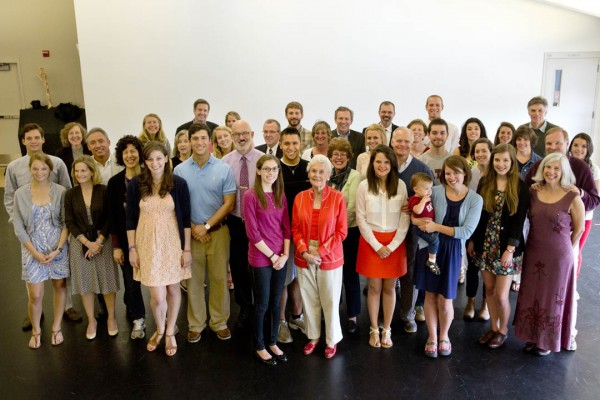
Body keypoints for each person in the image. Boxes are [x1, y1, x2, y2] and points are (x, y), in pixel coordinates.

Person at [525, 127, 600, 351]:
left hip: (563, 244)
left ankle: (562, 337)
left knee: (558, 294)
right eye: (548, 145)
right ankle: (533, 334)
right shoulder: (539, 168)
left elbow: (594, 201)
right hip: (537, 245)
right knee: (535, 291)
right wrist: (534, 187)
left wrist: (570, 244)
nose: (553, 148)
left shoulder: (580, 169)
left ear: (565, 143)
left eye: (557, 144)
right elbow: (527, 193)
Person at [5, 123, 76, 331]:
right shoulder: (14, 167)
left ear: (43, 139)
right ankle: (36, 313)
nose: (33, 141)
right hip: (30, 230)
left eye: (37, 137)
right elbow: (10, 197)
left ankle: (67, 308)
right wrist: (19, 223)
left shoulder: (57, 163)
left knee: (61, 278)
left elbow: (68, 192)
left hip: (55, 227)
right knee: (33, 279)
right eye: (29, 138)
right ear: (23, 141)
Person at [514, 153, 584, 355]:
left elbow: (578, 229)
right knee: (532, 294)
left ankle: (546, 341)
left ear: (563, 172)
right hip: (534, 251)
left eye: (556, 168)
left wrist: (564, 250)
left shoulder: (572, 196)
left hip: (559, 256)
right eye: (547, 167)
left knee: (553, 297)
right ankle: (532, 336)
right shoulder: (534, 192)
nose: (551, 172)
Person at [413, 156, 483, 358]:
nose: (452, 177)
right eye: (448, 173)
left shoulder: (475, 199)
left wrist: (435, 226)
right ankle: (432, 337)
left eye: (456, 172)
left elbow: (466, 231)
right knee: (429, 295)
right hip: (430, 247)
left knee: (446, 298)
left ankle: (444, 336)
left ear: (465, 174)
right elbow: (415, 213)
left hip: (452, 250)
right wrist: (415, 217)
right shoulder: (433, 191)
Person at [126, 142, 191, 356]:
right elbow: (130, 220)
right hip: (146, 245)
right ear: (144, 162)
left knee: (173, 289)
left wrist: (186, 249)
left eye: (159, 158)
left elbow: (186, 220)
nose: (155, 163)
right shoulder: (136, 184)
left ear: (166, 159)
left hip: (172, 243)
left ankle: (170, 331)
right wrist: (132, 248)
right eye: (150, 159)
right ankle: (159, 327)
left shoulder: (178, 183)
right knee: (157, 296)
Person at [173, 123, 236, 344]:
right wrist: (195, 228)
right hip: (191, 235)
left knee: (219, 280)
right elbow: (177, 205)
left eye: (203, 138)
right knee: (194, 282)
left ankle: (219, 322)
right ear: (188, 141)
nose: (199, 142)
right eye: (195, 139)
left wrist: (207, 226)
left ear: (210, 141)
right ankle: (195, 324)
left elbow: (229, 203)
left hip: (217, 233)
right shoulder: (179, 170)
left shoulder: (223, 168)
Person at [468, 144, 529, 349]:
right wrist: (473, 240)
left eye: (505, 160)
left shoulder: (520, 186)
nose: (501, 164)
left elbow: (519, 220)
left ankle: (503, 331)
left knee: (502, 295)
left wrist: (510, 249)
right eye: (497, 160)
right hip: (486, 244)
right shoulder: (486, 182)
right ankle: (493, 327)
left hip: (506, 249)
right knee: (490, 291)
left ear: (512, 162)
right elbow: (480, 215)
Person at [292, 155, 347, 359]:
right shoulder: (300, 198)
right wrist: (305, 251)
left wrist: (320, 252)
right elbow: (295, 228)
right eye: (313, 171)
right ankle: (313, 337)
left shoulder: (337, 198)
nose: (317, 175)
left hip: (330, 257)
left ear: (328, 174)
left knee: (330, 300)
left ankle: (331, 340)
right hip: (304, 256)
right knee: (309, 298)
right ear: (308, 174)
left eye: (321, 171)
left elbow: (341, 232)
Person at [13, 154, 69, 348]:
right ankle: (36, 330)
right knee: (35, 294)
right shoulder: (20, 194)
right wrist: (35, 253)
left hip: (57, 247)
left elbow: (65, 222)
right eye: (35, 169)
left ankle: (56, 327)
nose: (40, 173)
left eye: (43, 169)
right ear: (30, 170)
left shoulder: (61, 191)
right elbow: (18, 227)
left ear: (50, 170)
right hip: (32, 248)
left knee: (59, 286)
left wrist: (59, 249)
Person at [356, 145, 409, 348]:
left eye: (386, 162)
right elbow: (361, 218)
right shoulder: (364, 186)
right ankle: (373, 329)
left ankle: (386, 328)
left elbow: (405, 217)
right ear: (372, 163)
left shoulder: (401, 186)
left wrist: (394, 244)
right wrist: (376, 244)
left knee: (389, 287)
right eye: (378, 161)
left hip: (395, 243)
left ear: (392, 164)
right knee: (374, 287)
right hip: (372, 242)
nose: (382, 165)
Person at [65, 155, 120, 340]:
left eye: (83, 170)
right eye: (76, 170)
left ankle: (112, 318)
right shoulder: (70, 194)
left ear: (91, 171)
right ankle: (91, 320)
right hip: (80, 243)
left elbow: (110, 217)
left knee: (107, 282)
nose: (79, 174)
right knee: (85, 284)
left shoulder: (103, 190)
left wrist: (99, 241)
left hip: (102, 241)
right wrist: (87, 243)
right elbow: (69, 221)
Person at [244, 155, 291, 366]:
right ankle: (260, 345)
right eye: (267, 169)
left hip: (281, 257)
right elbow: (252, 233)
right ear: (259, 171)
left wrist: (285, 255)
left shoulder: (280, 194)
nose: (271, 173)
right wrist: (273, 256)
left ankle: (273, 342)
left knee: (276, 302)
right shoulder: (251, 195)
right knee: (262, 304)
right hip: (261, 258)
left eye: (275, 169)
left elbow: (287, 228)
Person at [222, 120, 265, 329]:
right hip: (236, 222)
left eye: (245, 133)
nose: (241, 137)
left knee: (259, 267)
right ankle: (245, 307)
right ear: (231, 135)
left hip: (259, 223)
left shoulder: (263, 160)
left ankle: (260, 307)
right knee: (238, 267)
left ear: (252, 133)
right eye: (237, 134)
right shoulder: (225, 162)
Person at [392, 127, 435, 329]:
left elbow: (429, 198)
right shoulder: (385, 165)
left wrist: (413, 207)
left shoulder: (422, 169)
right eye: (398, 140)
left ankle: (407, 314)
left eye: (406, 141)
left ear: (413, 142)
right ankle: (387, 313)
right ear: (392, 141)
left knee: (410, 271)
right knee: (389, 271)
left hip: (412, 230)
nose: (402, 145)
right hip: (387, 228)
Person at [107, 135, 146, 340]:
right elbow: (112, 217)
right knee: (131, 284)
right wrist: (116, 246)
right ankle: (138, 320)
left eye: (133, 151)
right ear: (121, 156)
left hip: (151, 241)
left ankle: (164, 318)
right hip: (126, 243)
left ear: (140, 153)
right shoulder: (114, 183)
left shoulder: (151, 178)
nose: (130, 155)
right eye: (125, 152)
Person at [277, 127, 310, 344]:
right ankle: (281, 322)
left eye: (295, 143)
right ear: (280, 145)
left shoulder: (309, 169)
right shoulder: (275, 168)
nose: (291, 148)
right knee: (283, 279)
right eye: (286, 144)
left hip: (305, 233)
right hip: (281, 232)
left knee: (299, 278)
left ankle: (296, 316)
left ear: (301, 144)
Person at [327, 137, 362, 334]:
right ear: (330, 156)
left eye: (343, 154)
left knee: (350, 275)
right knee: (332, 275)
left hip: (349, 233)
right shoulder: (327, 174)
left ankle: (352, 315)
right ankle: (333, 312)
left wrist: (336, 230)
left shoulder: (355, 176)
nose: (339, 157)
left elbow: (351, 209)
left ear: (349, 157)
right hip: (329, 236)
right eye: (335, 154)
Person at [464, 137, 493, 320]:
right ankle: (470, 302)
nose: (481, 154)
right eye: (478, 151)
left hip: (491, 228)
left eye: (485, 151)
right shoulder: (470, 173)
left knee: (489, 270)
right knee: (473, 267)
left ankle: (486, 305)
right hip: (473, 226)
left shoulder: (497, 174)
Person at [568, 133, 600, 278]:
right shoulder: (564, 163)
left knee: (576, 249)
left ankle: (573, 282)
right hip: (565, 215)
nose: (578, 149)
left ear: (589, 149)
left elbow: (595, 196)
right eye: (575, 145)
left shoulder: (594, 169)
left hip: (584, 216)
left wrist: (580, 193)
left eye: (583, 146)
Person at [408, 173, 440, 275]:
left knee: (435, 239)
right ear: (416, 189)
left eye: (430, 188)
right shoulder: (415, 199)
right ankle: (431, 261)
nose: (429, 191)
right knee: (434, 241)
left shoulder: (424, 197)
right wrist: (424, 200)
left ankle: (431, 260)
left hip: (428, 226)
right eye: (427, 188)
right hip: (420, 228)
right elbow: (417, 210)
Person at [418, 119, 451, 184]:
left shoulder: (453, 160)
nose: (438, 136)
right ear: (428, 134)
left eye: (442, 133)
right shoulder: (420, 161)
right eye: (434, 133)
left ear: (447, 135)